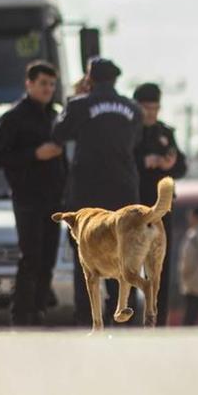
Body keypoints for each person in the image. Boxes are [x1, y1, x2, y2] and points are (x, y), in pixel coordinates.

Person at [51, 57, 141, 326]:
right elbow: (132, 141)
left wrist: (74, 97)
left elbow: (58, 132)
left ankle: (87, 319)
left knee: (86, 258)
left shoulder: (80, 105)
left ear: (89, 78)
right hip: (124, 192)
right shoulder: (132, 109)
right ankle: (123, 317)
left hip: (87, 194)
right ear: (115, 79)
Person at [0, 60, 68, 326]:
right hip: (27, 198)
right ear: (29, 84)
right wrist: (35, 154)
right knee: (31, 256)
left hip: (54, 198)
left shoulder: (56, 116)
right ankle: (21, 313)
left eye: (51, 84)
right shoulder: (15, 117)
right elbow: (0, 158)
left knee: (48, 257)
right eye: (43, 83)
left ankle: (39, 310)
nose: (48, 89)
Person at [132, 82, 188, 326]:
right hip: (134, 208)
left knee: (159, 267)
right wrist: (145, 162)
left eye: (155, 109)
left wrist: (168, 165)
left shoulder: (165, 133)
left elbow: (182, 165)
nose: (151, 114)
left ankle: (158, 320)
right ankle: (127, 317)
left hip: (161, 209)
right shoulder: (128, 132)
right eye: (146, 109)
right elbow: (122, 161)